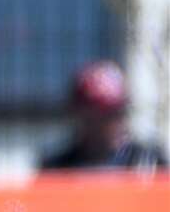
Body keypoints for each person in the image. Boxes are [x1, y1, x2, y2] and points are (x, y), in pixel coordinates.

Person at [38, 60, 166, 173]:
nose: (113, 122)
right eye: (102, 115)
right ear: (80, 114)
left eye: (118, 112)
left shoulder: (148, 162)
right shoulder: (58, 169)